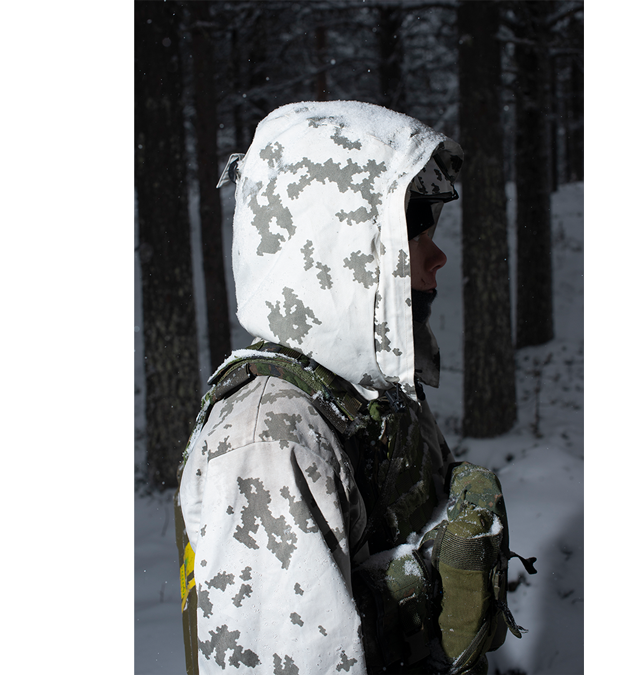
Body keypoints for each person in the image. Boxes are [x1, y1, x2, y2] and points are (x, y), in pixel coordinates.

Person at [175, 101, 480, 674]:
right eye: (410, 232)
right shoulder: (268, 443)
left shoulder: (366, 395)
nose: (437, 257)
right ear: (341, 250)